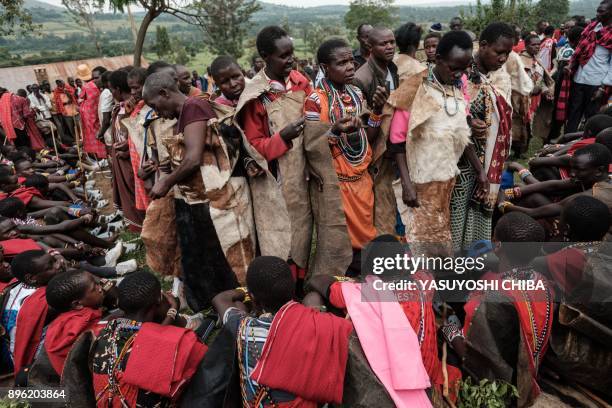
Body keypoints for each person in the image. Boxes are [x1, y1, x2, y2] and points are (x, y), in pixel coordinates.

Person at [143, 71, 256, 310]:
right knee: (207, 252)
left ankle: (232, 301)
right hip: (200, 198)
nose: (156, 111)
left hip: (214, 198)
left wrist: (167, 181)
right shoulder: (185, 113)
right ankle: (219, 301)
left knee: (223, 252)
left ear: (164, 93)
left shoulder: (193, 106)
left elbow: (194, 159)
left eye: (154, 104)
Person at [305, 235, 462, 405]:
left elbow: (318, 280)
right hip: (429, 375)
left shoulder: (361, 293)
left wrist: (351, 281)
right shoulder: (424, 282)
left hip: (390, 384)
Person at [212, 256, 352, 407]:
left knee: (238, 305)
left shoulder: (243, 328)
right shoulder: (320, 327)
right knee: (313, 299)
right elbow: (317, 284)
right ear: (292, 290)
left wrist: (248, 292)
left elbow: (221, 299)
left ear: (254, 299)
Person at [445, 212, 554, 407]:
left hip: (501, 383)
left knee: (446, 328)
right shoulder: (543, 282)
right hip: (529, 368)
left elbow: (471, 355)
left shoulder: (490, 297)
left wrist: (451, 332)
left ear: (497, 246)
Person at [303, 38, 387, 276]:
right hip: (336, 185)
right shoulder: (315, 100)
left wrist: (378, 111)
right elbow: (311, 148)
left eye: (351, 60)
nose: (350, 66)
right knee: (342, 246)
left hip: (362, 181)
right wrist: (335, 130)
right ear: (324, 68)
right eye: (342, 63)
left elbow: (367, 139)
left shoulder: (357, 93)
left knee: (367, 241)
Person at [236, 25, 312, 281]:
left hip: (301, 171)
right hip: (274, 177)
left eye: (291, 53)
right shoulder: (256, 95)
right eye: (283, 55)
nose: (290, 59)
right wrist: (283, 137)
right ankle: (281, 285)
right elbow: (254, 144)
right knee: (279, 232)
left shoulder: (300, 82)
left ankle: (300, 281)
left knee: (302, 228)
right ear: (265, 57)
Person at [390, 31, 473, 256]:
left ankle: (433, 285)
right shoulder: (415, 89)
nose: (459, 74)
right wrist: (407, 184)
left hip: (446, 179)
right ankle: (416, 285)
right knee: (417, 239)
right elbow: (396, 142)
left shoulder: (457, 87)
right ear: (438, 59)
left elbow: (462, 131)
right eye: (453, 67)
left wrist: (479, 173)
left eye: (464, 68)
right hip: (419, 182)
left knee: (439, 236)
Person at [91, 271, 206, 407]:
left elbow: (146, 339)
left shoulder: (107, 331)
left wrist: (171, 314)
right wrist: (173, 312)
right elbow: (203, 358)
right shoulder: (173, 343)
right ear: (158, 300)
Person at [450, 22, 514, 251]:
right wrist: (467, 123)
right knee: (456, 217)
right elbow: (451, 120)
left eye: (508, 53)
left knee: (475, 219)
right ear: (483, 45)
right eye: (499, 52)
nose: (503, 58)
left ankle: (472, 263)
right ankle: (451, 272)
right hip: (462, 166)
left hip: (483, 164)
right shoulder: (461, 75)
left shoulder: (490, 77)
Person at [353, 26, 399, 236]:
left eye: (392, 42)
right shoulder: (362, 79)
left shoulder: (393, 68)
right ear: (370, 47)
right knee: (378, 207)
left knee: (390, 202)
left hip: (391, 148)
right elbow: (361, 127)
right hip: (374, 154)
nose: (389, 46)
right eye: (383, 43)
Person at [0, 250, 64, 375]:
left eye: (54, 261)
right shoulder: (46, 302)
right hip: (27, 363)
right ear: (32, 278)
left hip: (14, 353)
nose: (59, 265)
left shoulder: (15, 284)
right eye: (51, 266)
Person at [43, 270, 110, 376]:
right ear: (77, 304)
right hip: (88, 383)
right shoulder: (82, 325)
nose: (100, 288)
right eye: (94, 288)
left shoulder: (60, 321)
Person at [564, 0, 612, 133]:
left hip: (596, 83)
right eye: (597, 10)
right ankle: (564, 145)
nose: (597, 14)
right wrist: (571, 65)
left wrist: (603, 88)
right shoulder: (591, 28)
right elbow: (579, 51)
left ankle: (583, 146)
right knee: (572, 115)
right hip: (579, 79)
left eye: (602, 11)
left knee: (591, 120)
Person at [108, 69, 145, 232]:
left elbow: (138, 135)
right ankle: (134, 223)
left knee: (134, 190)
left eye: (111, 89)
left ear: (117, 88)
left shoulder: (133, 107)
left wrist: (127, 149)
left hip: (132, 157)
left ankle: (141, 224)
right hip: (124, 153)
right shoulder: (121, 107)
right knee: (129, 192)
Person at [513, 34, 553, 156]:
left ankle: (523, 148)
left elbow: (542, 79)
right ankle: (517, 151)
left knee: (530, 124)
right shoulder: (519, 61)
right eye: (533, 44)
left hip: (535, 99)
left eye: (538, 44)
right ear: (526, 45)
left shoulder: (537, 60)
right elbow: (514, 81)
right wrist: (530, 90)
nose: (537, 47)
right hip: (521, 99)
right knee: (519, 124)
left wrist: (546, 90)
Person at [549, 25, 583, 141]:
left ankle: (554, 136)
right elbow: (562, 71)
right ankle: (553, 137)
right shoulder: (569, 51)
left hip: (563, 84)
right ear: (577, 39)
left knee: (560, 114)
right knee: (560, 114)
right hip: (563, 85)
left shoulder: (568, 48)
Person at [507, 31, 535, 157]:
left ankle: (520, 151)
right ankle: (513, 151)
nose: (537, 47)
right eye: (534, 45)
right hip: (515, 98)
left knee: (524, 125)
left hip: (525, 99)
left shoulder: (533, 59)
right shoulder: (516, 58)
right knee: (513, 125)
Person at [77, 64, 107, 159]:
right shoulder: (97, 86)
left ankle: (99, 155)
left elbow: (80, 99)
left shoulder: (86, 87)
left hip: (89, 115)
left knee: (94, 134)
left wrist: (81, 105)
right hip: (97, 112)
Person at [52, 79, 78, 144]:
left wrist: (66, 92)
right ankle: (76, 140)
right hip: (65, 111)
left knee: (78, 125)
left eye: (61, 82)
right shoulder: (56, 91)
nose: (60, 84)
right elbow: (57, 102)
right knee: (70, 127)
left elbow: (73, 97)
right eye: (58, 83)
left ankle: (82, 138)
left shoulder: (68, 88)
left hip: (74, 109)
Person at [97, 70, 114, 148]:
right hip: (109, 131)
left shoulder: (107, 92)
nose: (96, 80)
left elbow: (106, 119)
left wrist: (101, 133)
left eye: (97, 77)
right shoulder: (106, 91)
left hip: (110, 132)